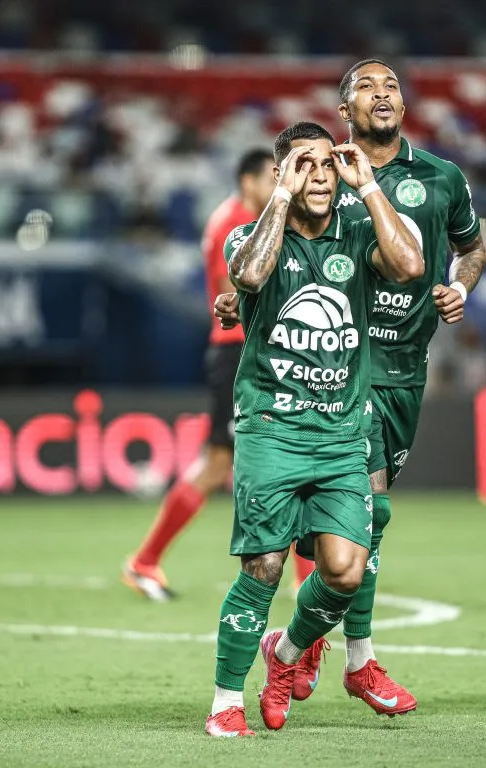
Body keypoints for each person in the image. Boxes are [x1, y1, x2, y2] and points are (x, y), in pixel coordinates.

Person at [214, 58, 486, 715]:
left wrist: (462, 285)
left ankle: (294, 647)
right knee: (371, 514)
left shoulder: (440, 178)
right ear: (345, 109)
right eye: (366, 86)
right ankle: (357, 661)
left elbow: (468, 250)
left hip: (403, 368)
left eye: (391, 84)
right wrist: (239, 298)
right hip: (338, 382)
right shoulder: (321, 175)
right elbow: (266, 265)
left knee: (362, 536)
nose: (382, 94)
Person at [206, 121, 423, 737]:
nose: (320, 175)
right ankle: (225, 699)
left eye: (328, 164)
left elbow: (409, 265)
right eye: (305, 165)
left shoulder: (357, 230)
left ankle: (286, 649)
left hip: (339, 434)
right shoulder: (250, 236)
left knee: (347, 570)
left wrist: (372, 186)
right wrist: (281, 195)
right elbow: (247, 278)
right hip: (272, 429)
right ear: (282, 175)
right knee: (265, 568)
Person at [121, 149, 321, 600]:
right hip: (241, 355)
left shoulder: (246, 220)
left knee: (290, 457)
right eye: (270, 180)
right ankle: (144, 560)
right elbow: (236, 294)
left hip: (256, 354)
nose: (278, 188)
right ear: (248, 180)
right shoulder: (234, 223)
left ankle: (303, 576)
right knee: (220, 466)